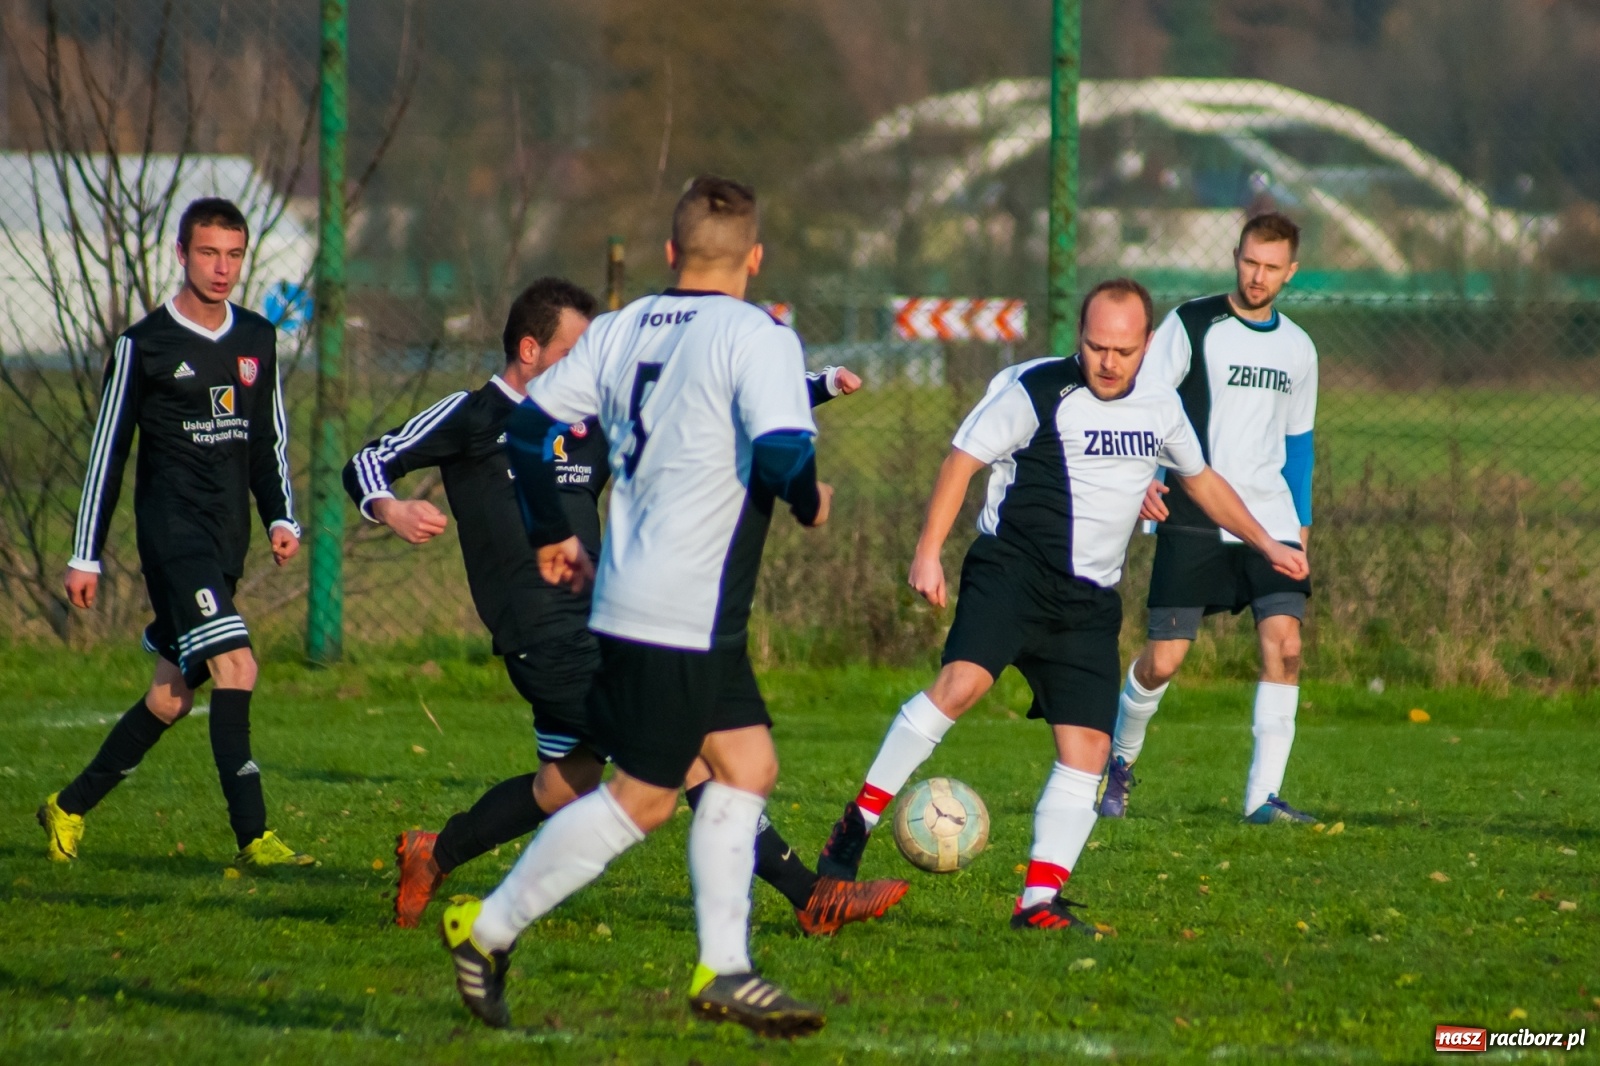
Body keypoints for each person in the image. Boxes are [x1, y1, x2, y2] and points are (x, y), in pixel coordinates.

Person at [347, 281, 902, 937]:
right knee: (685, 748)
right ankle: (811, 896)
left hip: (602, 624)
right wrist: (391, 506)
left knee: (567, 781)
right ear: (529, 349)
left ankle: (432, 853)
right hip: (540, 635)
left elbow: (694, 408)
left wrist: (815, 387)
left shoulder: (589, 424)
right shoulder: (475, 417)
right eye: (575, 349)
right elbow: (368, 458)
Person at [437, 176, 838, 1037]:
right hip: (682, 609)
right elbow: (778, 457)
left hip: (651, 599)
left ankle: (726, 967)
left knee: (748, 766)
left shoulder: (621, 329)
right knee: (643, 800)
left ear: (670, 253)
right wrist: (809, 500)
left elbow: (529, 427)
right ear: (755, 259)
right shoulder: (759, 334)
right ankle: (489, 929)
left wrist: (551, 528)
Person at [814, 279, 1310, 932]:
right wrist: (928, 550)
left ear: (1147, 345)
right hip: (1013, 572)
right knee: (961, 685)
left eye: (1124, 350)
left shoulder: (1160, 406)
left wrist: (1265, 542)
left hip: (1089, 601)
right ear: (1079, 336)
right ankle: (853, 830)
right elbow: (961, 462)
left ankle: (1038, 903)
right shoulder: (1036, 390)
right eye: (1096, 345)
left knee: (1087, 752)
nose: (1108, 361)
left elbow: (1202, 481)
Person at [39, 197, 311, 868]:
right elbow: (108, 453)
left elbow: (265, 439)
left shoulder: (257, 338)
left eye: (233, 255)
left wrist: (279, 514)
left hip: (225, 543)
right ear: (182, 254)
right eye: (208, 253)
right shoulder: (143, 346)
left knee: (169, 697)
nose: (222, 268)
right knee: (238, 666)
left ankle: (67, 808)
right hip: (171, 540)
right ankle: (255, 838)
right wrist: (86, 557)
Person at [1099, 213, 1319, 825]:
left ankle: (1262, 799)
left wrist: (1299, 527)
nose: (1258, 275)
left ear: (1290, 272)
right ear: (1236, 256)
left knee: (1287, 645)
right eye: (1250, 261)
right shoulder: (1193, 323)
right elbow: (1142, 401)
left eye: (1272, 267)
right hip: (1194, 508)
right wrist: (1145, 475)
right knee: (1164, 659)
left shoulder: (1299, 348)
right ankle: (1119, 762)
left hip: (1270, 516)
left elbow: (1299, 446)